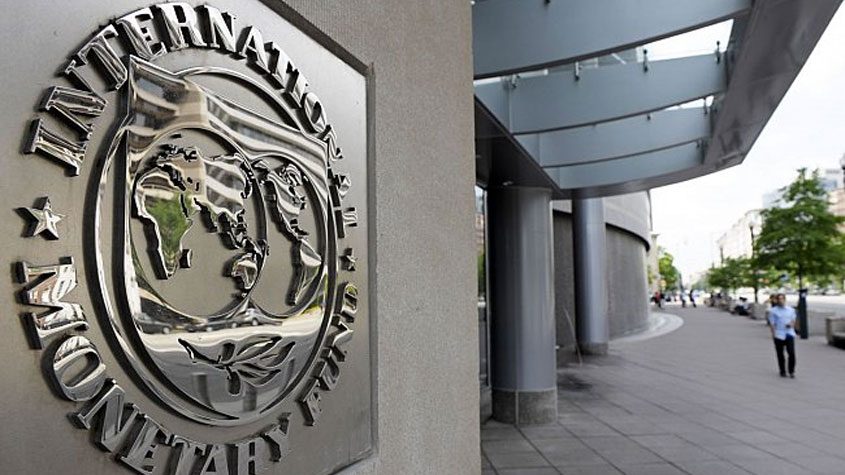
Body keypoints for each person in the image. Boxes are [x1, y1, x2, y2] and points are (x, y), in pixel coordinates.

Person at [768, 293, 797, 378]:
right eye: (779, 299)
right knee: (780, 354)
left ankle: (791, 371)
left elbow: (793, 320)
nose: (781, 301)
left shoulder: (790, 310)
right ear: (776, 300)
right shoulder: (773, 311)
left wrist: (791, 325)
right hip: (779, 334)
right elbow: (772, 324)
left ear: (785, 300)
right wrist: (773, 334)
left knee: (791, 353)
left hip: (789, 333)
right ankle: (782, 370)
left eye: (782, 299)